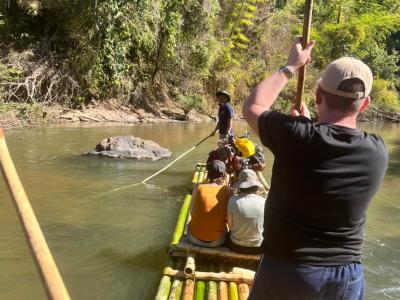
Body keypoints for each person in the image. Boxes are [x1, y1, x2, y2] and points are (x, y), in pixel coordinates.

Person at [242, 37, 388, 300]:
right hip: (347, 276)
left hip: (290, 270)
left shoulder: (297, 138)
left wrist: (290, 67)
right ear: (364, 104)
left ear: (318, 95)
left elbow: (253, 106)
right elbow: (325, 153)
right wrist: (307, 127)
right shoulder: (378, 150)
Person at [187, 160, 233, 247]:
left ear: (208, 173)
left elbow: (191, 211)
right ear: (224, 174)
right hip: (217, 241)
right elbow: (228, 219)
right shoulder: (228, 190)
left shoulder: (198, 186)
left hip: (194, 239)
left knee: (189, 224)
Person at [226, 169, 265, 255]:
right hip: (258, 248)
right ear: (255, 186)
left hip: (236, 246)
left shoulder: (232, 200)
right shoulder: (264, 201)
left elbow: (230, 226)